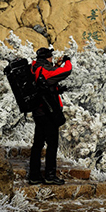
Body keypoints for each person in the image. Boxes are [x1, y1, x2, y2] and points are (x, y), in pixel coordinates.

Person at [28, 47, 72, 185]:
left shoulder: (34, 68)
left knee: (37, 144)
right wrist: (67, 61)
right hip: (48, 113)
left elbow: (45, 82)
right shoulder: (46, 71)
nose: (52, 58)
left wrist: (56, 66)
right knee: (52, 144)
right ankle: (50, 175)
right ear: (47, 57)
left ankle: (34, 175)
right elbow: (66, 71)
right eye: (51, 57)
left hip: (38, 112)